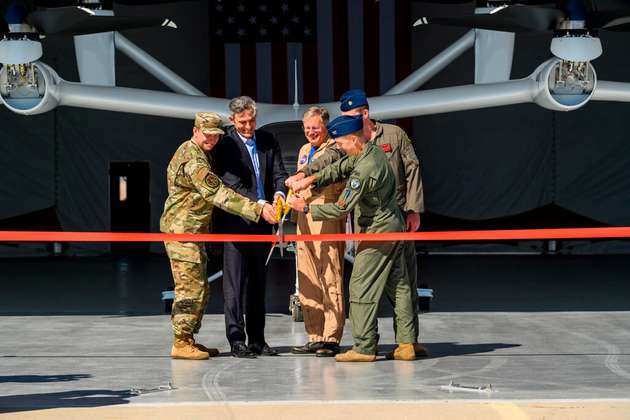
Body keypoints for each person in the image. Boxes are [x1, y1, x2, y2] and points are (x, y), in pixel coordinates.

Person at [286, 89, 427, 358]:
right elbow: (335, 167)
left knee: (360, 286)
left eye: (340, 141)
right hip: (389, 225)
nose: (337, 145)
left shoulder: (366, 165)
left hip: (379, 230)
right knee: (399, 284)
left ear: (354, 135)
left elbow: (342, 206)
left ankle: (363, 347)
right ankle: (407, 344)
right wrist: (308, 178)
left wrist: (304, 207)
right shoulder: (366, 152)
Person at [160, 112, 277, 360]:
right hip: (183, 233)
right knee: (189, 289)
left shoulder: (202, 153)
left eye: (216, 136)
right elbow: (219, 194)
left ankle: (188, 338)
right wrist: (257, 209)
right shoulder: (194, 159)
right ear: (195, 131)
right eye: (207, 135)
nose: (212, 140)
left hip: (194, 232)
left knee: (201, 287)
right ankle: (181, 342)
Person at [212, 96, 289, 358]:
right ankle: (236, 339)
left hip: (263, 224)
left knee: (258, 282)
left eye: (252, 120)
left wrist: (279, 195)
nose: (248, 126)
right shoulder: (225, 146)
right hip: (236, 223)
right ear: (232, 120)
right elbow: (232, 185)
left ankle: (257, 339)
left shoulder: (268, 140)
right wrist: (261, 205)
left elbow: (279, 174)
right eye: (242, 122)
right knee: (234, 284)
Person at [290, 106, 346, 358]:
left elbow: (328, 176)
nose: (311, 132)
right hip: (302, 217)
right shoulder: (304, 150)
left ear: (326, 127)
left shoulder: (335, 148)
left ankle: (331, 337)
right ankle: (314, 335)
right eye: (307, 128)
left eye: (316, 128)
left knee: (330, 274)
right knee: (308, 277)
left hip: (325, 216)